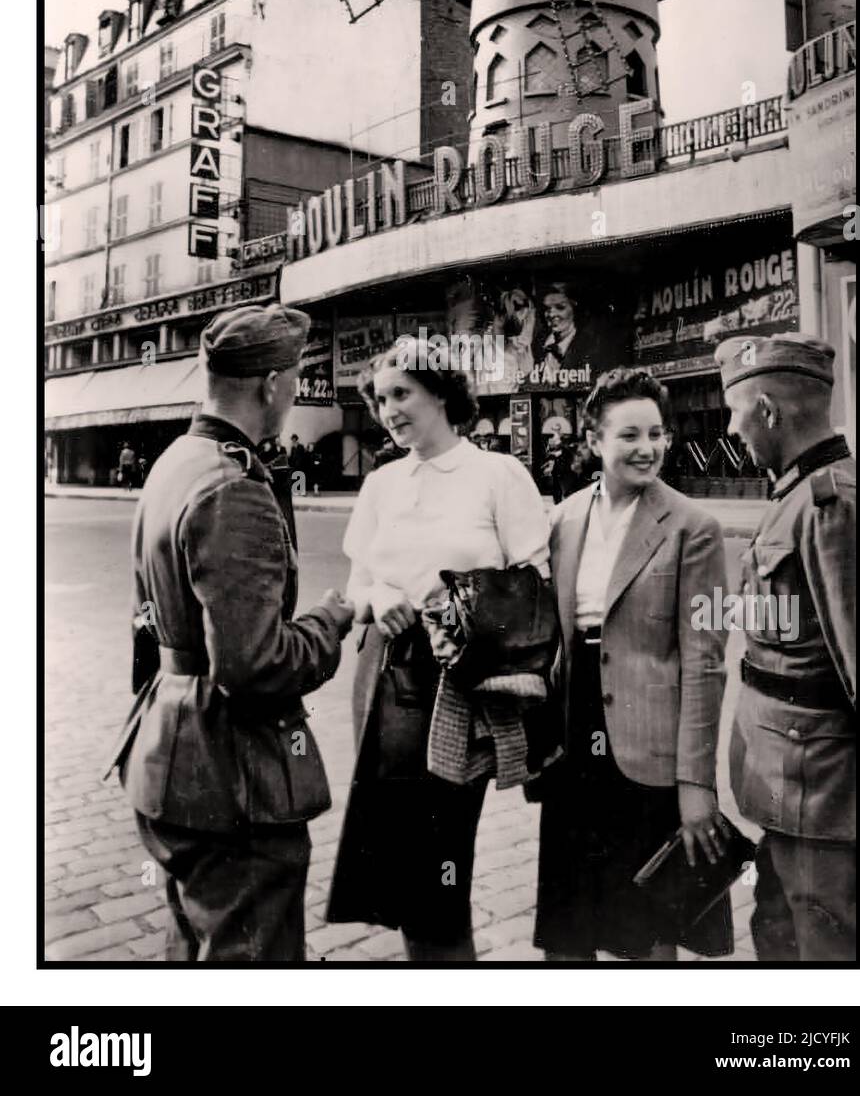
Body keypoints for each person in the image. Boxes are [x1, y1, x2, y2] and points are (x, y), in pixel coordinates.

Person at [104, 303, 354, 964]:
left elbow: (146, 628)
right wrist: (330, 620)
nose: (294, 393)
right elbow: (255, 668)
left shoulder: (176, 462)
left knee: (193, 949)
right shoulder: (234, 486)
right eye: (295, 379)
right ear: (272, 384)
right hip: (231, 780)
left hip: (169, 760)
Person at [326, 339, 550, 962]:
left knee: (445, 847)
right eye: (379, 398)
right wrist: (379, 595)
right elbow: (358, 584)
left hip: (460, 682)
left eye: (402, 393)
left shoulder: (498, 475)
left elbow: (533, 581)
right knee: (397, 850)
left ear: (443, 394)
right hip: (385, 678)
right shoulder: (380, 484)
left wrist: (454, 607)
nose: (388, 409)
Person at [534, 367, 733, 961]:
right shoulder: (564, 519)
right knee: (569, 930)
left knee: (645, 934)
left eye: (657, 433)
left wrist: (696, 785)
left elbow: (705, 662)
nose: (647, 448)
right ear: (593, 441)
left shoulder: (694, 528)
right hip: (575, 739)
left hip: (647, 750)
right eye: (629, 435)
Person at [714, 333, 856, 962]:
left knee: (824, 946)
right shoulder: (795, 494)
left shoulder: (832, 505)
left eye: (737, 414)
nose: (733, 430)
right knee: (777, 934)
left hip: (821, 791)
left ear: (768, 411)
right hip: (786, 784)